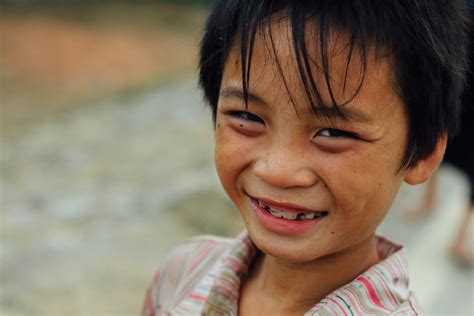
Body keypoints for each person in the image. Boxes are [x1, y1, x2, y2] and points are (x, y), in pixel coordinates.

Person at [142, 1, 470, 314]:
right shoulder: (180, 275)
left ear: (423, 153)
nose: (278, 171)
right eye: (247, 117)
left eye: (333, 134)